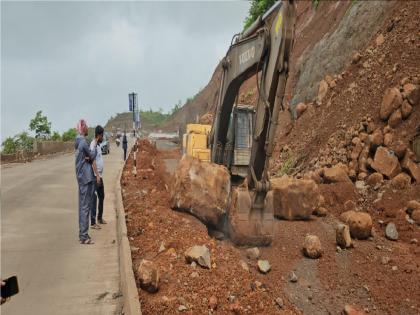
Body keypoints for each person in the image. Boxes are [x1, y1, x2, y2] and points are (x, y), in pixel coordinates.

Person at [75, 119, 97, 245]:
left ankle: (82, 234)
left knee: (82, 206)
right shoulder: (83, 142)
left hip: (81, 177)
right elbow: (92, 156)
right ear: (83, 128)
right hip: (86, 177)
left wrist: (88, 157)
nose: (88, 128)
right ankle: (84, 236)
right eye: (86, 126)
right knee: (85, 207)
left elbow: (88, 158)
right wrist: (92, 150)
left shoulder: (78, 142)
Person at [90, 125, 107, 228]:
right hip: (95, 176)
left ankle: (99, 218)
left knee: (102, 196)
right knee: (94, 198)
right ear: (99, 135)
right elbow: (93, 161)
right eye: (102, 135)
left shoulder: (98, 145)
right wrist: (96, 175)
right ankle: (93, 223)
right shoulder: (93, 145)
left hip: (99, 176)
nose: (103, 137)